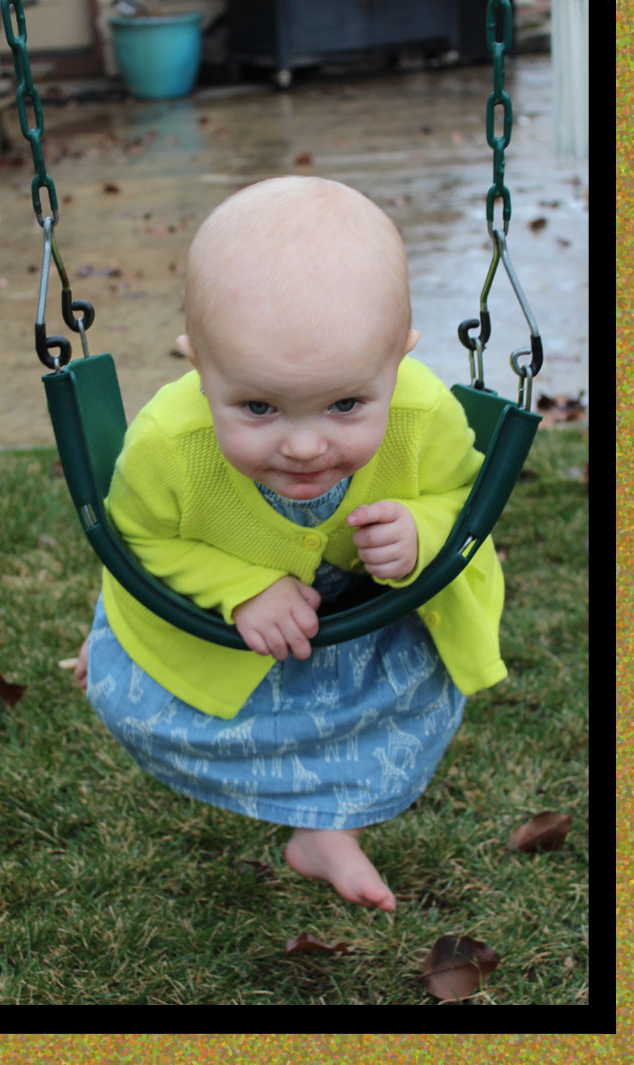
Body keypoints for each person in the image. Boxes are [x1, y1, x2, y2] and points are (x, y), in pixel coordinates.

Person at [75, 176, 506, 913]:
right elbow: (138, 535)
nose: (305, 446)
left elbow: (464, 498)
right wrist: (237, 586)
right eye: (258, 406)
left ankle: (326, 831)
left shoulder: (423, 410)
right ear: (197, 366)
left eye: (345, 404)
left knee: (405, 704)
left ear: (398, 359)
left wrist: (423, 529)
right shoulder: (168, 443)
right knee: (147, 699)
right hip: (230, 635)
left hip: (372, 621)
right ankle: (316, 820)